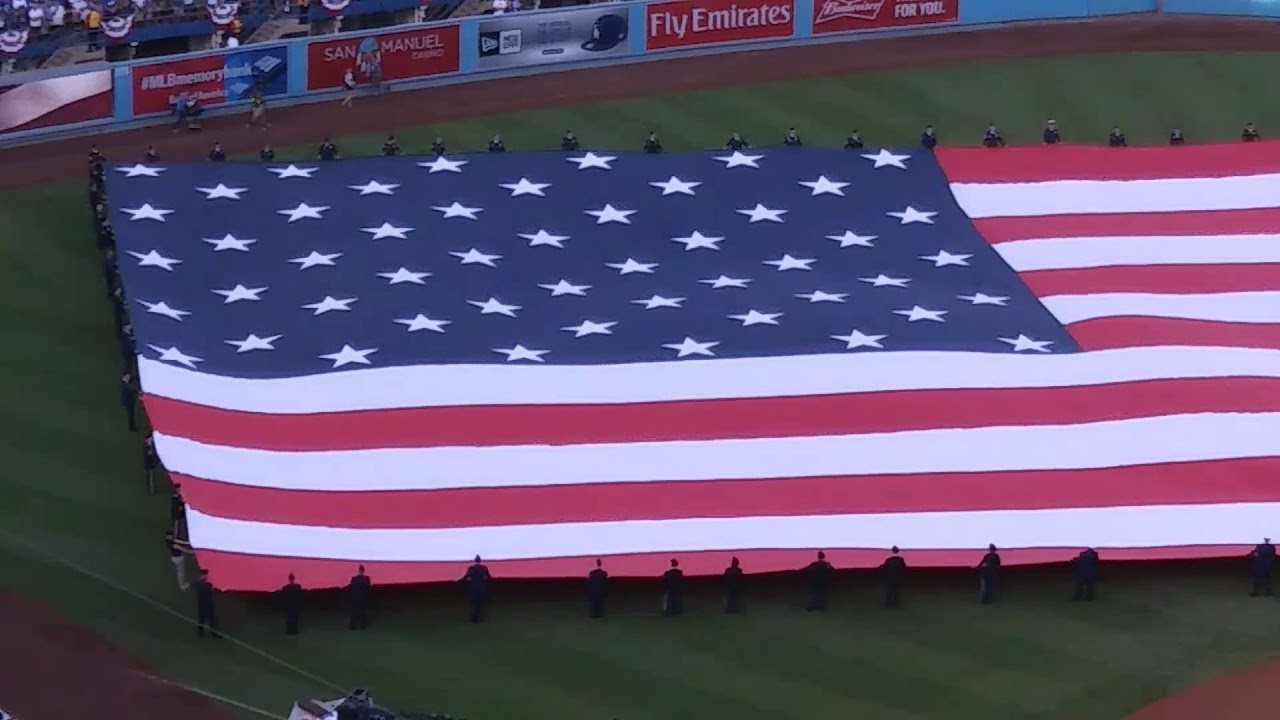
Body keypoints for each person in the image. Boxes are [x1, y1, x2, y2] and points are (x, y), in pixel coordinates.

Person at [461, 555, 491, 623]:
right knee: (479, 603)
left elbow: (467, 578)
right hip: (481, 588)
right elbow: (487, 578)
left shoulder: (470, 569)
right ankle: (478, 616)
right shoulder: (484, 568)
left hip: (473, 588)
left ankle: (474, 618)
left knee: (474, 603)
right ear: (480, 561)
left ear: (474, 561)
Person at [194, 569, 219, 638]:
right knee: (204, 619)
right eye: (205, 575)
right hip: (205, 604)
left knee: (207, 619)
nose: (206, 576)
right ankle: (202, 633)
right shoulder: (205, 584)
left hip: (204, 604)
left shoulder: (199, 584)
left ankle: (202, 633)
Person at [347, 565, 371, 630]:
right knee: (363, 612)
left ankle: (353, 626)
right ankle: (363, 626)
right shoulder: (367, 579)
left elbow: (351, 588)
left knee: (354, 612)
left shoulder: (354, 578)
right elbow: (368, 588)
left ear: (358, 571)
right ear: (363, 571)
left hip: (355, 598)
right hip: (363, 598)